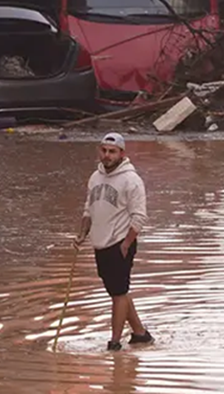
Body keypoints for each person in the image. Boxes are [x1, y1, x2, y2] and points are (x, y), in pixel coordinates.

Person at [73, 132, 152, 351]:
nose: (107, 156)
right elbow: (88, 211)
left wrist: (126, 244)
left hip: (120, 243)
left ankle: (114, 343)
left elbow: (140, 217)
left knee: (118, 294)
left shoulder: (131, 180)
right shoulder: (95, 177)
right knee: (119, 291)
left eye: (112, 152)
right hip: (100, 243)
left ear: (121, 154)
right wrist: (82, 235)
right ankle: (140, 334)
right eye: (104, 151)